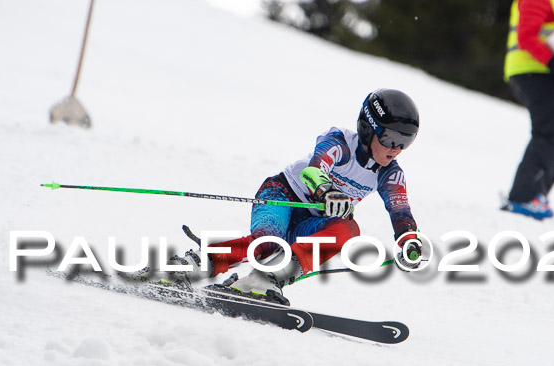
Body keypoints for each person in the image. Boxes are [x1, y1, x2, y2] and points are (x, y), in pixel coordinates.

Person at [171, 89, 423, 304]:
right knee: (267, 242)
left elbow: (400, 210)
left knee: (349, 229)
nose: (396, 149)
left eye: (405, 142)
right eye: (390, 138)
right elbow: (314, 170)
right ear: (369, 129)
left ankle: (265, 279)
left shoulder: (389, 174)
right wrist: (327, 191)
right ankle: (187, 267)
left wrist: (409, 240)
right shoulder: (340, 143)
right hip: (283, 194)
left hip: (312, 221)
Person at [501, 0, 554, 220]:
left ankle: (535, 196)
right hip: (533, 71)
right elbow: (527, 37)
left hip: (540, 72)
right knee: (551, 134)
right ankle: (524, 198)